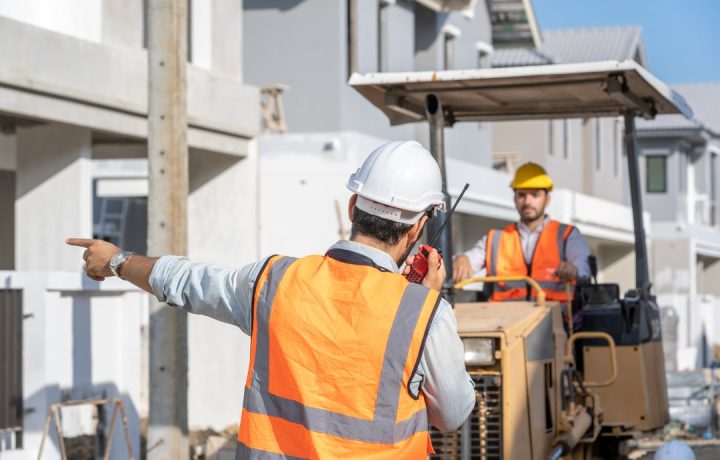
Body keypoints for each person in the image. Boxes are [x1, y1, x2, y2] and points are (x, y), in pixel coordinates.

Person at [68, 140, 475, 458]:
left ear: (353, 205)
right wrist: (422, 304)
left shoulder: (275, 281)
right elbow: (452, 414)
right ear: (419, 227)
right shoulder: (426, 313)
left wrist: (118, 260)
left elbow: (187, 281)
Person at [453, 162, 591, 302]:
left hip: (554, 320)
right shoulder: (495, 239)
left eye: (535, 195)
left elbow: (583, 269)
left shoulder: (567, 235)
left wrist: (573, 269)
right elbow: (467, 262)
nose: (527, 201)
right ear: (515, 198)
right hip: (504, 321)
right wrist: (462, 259)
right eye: (522, 195)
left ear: (547, 199)